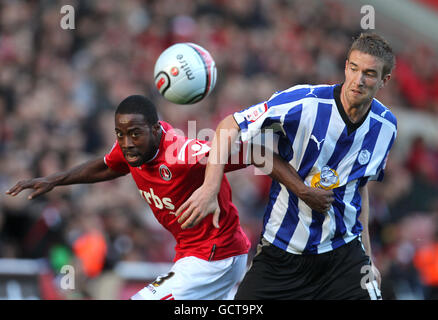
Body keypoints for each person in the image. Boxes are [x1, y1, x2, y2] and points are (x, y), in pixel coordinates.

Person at [5, 94, 330, 300]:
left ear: (157, 130)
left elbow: (260, 153)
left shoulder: (183, 154)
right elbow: (107, 166)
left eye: (135, 134)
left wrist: (302, 190)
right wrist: (55, 179)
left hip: (215, 255)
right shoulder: (129, 151)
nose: (127, 143)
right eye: (121, 134)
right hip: (197, 254)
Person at [176, 32, 397, 300]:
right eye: (353, 68)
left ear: (384, 80)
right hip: (282, 254)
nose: (358, 80)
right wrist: (210, 187)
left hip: (343, 257)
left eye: (370, 74)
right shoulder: (305, 103)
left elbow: (358, 188)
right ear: (345, 66)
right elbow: (228, 127)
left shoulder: (386, 127)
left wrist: (368, 258)